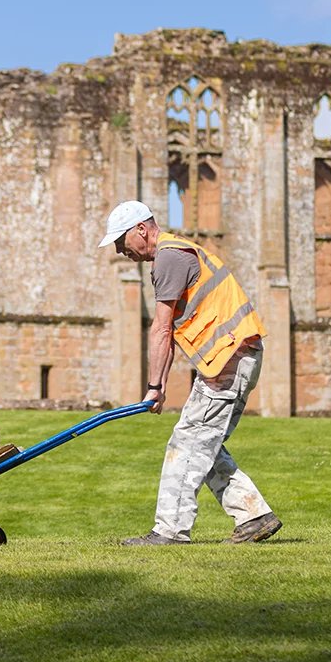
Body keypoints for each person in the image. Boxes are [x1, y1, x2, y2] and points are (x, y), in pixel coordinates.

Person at [98, 200, 281, 545]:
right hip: (237, 354)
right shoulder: (177, 253)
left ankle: (169, 530)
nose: (121, 251)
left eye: (122, 241)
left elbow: (162, 330)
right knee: (203, 443)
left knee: (187, 442)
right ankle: (255, 516)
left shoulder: (169, 257)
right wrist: (161, 386)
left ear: (142, 229)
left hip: (228, 357)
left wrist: (154, 386)